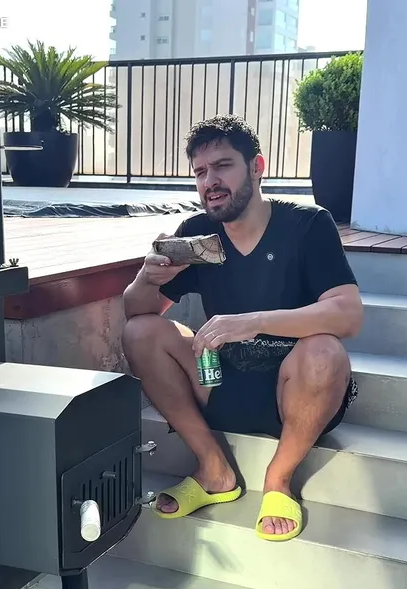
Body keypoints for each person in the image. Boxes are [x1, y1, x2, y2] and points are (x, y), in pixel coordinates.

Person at [121, 115, 362, 542]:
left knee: (325, 351)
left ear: (257, 166)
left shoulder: (307, 225)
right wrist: (146, 279)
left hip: (295, 393)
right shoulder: (198, 235)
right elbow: (138, 311)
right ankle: (213, 468)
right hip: (220, 383)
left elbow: (348, 314)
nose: (210, 181)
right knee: (140, 333)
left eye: (222, 166)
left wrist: (255, 321)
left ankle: (279, 480)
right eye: (200, 172)